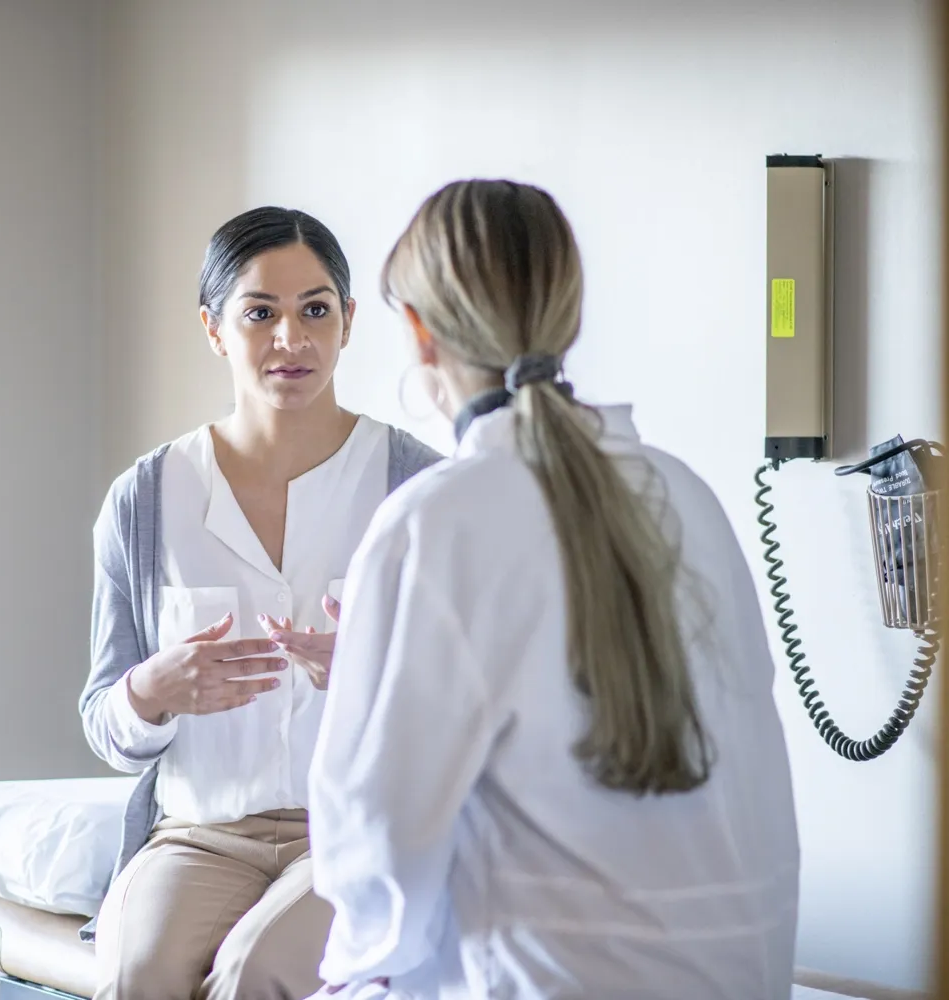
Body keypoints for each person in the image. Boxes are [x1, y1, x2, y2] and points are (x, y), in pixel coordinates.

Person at [307, 180, 800, 1000]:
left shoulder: (435, 521)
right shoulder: (687, 496)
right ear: (565, 316)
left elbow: (375, 852)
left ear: (418, 335)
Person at [79, 206, 441, 1000]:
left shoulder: (418, 490)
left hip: (354, 834)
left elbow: (474, 712)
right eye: (260, 314)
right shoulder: (145, 503)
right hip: (198, 837)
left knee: (253, 974)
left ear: (348, 321)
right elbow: (104, 718)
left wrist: (374, 677)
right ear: (213, 329)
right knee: (138, 974)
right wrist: (151, 692)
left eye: (316, 309)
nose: (292, 339)